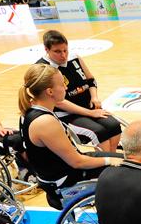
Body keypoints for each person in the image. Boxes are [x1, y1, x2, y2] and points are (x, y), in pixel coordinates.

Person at [19, 64, 123, 209]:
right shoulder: (45, 122)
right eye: (62, 84)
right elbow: (77, 162)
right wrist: (108, 159)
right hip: (63, 182)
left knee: (125, 160)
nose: (66, 88)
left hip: (58, 172)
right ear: (50, 91)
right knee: (128, 170)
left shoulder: (30, 111)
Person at [37, 30, 122, 152]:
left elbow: (91, 80)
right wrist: (90, 113)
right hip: (67, 115)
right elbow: (58, 101)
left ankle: (111, 158)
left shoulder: (74, 57)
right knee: (100, 132)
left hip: (89, 108)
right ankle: (107, 164)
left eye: (65, 50)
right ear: (46, 50)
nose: (63, 55)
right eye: (57, 51)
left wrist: (94, 97)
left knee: (114, 125)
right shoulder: (43, 68)